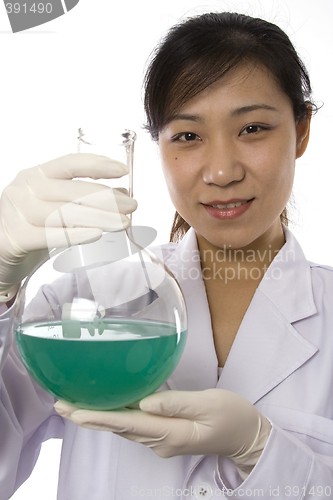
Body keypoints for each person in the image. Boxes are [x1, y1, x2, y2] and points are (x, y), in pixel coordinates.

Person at [0, 11, 332, 500]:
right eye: (188, 136)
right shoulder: (75, 306)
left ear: (301, 131)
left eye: (253, 128)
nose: (221, 171)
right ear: (158, 146)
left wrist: (262, 450)